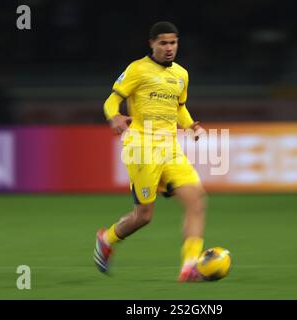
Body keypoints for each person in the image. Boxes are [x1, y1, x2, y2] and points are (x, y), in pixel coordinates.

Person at [95, 21, 207, 282]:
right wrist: (114, 117)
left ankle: (190, 266)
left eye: (173, 42)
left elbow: (179, 106)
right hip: (142, 148)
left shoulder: (181, 74)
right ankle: (107, 238)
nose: (169, 48)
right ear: (152, 44)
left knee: (197, 200)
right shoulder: (137, 69)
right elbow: (112, 100)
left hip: (170, 147)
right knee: (143, 216)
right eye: (163, 43)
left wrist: (191, 124)